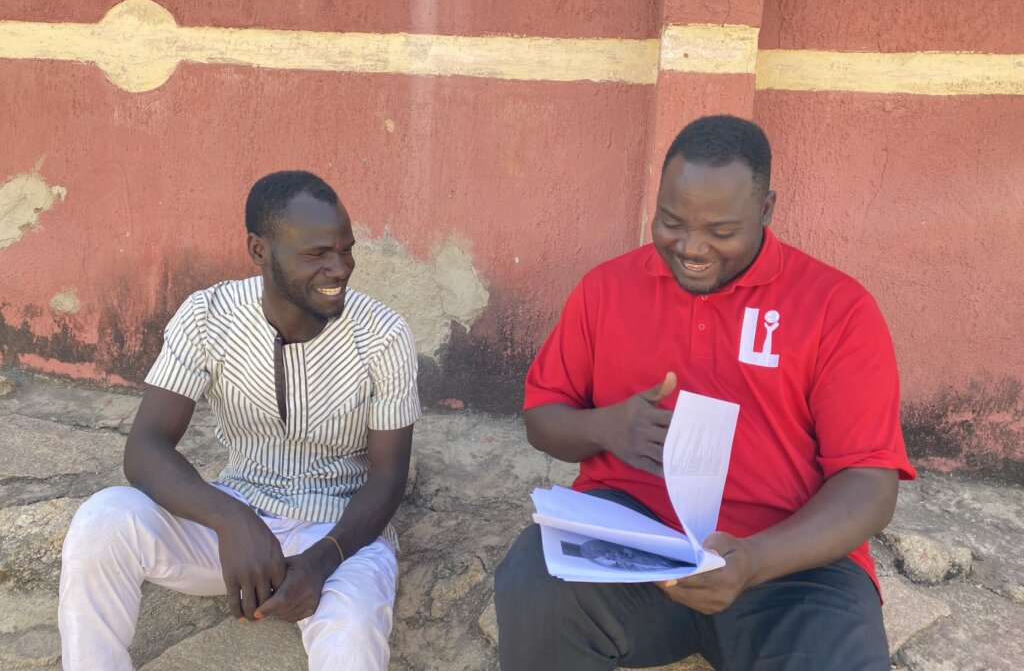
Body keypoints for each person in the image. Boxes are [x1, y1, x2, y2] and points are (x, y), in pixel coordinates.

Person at [494, 115, 915, 671]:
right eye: (671, 222)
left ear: (766, 209)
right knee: (533, 588)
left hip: (790, 564)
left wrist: (754, 560)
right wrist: (604, 426)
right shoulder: (605, 289)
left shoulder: (837, 309)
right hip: (639, 543)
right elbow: (542, 417)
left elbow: (870, 487)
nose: (691, 247)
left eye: (721, 231)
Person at [59, 171, 420, 671]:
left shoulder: (383, 335)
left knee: (352, 636)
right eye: (317, 254)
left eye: (346, 250)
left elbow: (388, 478)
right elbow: (145, 448)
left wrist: (321, 562)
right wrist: (232, 519)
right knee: (101, 520)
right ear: (259, 250)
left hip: (340, 537)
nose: (340, 268)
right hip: (238, 514)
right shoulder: (208, 316)